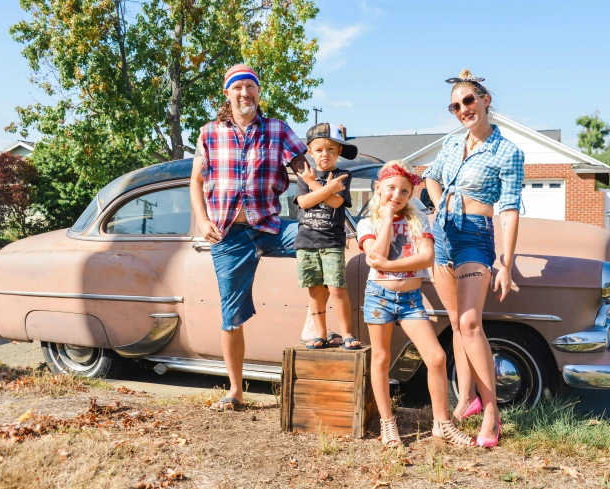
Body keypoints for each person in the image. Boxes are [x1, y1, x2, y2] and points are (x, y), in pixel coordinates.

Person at [190, 64, 309, 411]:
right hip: (228, 235)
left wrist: (319, 187)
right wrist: (201, 219)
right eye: (238, 87)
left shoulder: (277, 129)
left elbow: (302, 163)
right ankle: (235, 391)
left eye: (250, 87)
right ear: (227, 94)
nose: (245, 93)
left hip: (270, 226)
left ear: (259, 92)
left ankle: (316, 327)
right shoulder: (209, 133)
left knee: (317, 239)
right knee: (231, 315)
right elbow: (196, 181)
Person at [423, 69, 524, 447]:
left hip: (475, 236)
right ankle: (466, 399)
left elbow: (510, 209)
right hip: (444, 234)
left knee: (469, 323)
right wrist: (437, 208)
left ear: (485, 100)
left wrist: (506, 262)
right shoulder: (451, 144)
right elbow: (429, 177)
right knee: (453, 321)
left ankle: (492, 410)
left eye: (468, 101)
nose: (463, 109)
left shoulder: (508, 151)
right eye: (455, 105)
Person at [357, 161, 476, 448]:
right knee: (381, 359)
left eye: (404, 191)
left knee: (435, 357)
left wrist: (389, 264)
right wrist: (386, 219)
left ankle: (442, 424)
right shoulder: (367, 222)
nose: (396, 195)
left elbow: (426, 258)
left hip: (411, 300)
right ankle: (388, 423)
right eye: (391, 189)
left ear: (410, 194)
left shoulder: (418, 220)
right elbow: (375, 256)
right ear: (378, 189)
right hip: (379, 298)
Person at [294, 123, 362, 350]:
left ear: (339, 152)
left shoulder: (343, 175)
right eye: (320, 150)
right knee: (314, 290)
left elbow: (336, 202)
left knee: (336, 288)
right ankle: (320, 333)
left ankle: (347, 333)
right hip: (306, 242)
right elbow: (304, 202)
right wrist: (318, 184)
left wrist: (319, 187)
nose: (326, 154)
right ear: (310, 152)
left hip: (332, 241)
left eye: (332, 149)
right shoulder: (304, 177)